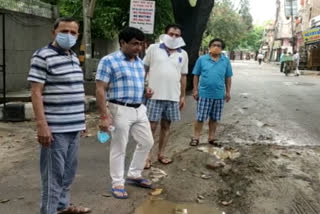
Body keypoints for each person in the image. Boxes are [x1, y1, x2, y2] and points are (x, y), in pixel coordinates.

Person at [28, 17, 91, 214]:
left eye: (73, 32)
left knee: (68, 173)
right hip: (55, 130)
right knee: (53, 177)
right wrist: (42, 125)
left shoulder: (73, 56)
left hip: (73, 127)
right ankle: (49, 210)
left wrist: (81, 122)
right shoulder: (42, 56)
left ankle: (62, 206)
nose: (69, 36)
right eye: (64, 31)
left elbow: (74, 91)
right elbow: (36, 92)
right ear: (53, 32)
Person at [95, 27, 154, 199]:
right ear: (123, 43)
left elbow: (137, 85)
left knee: (147, 142)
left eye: (141, 44)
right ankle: (117, 183)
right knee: (119, 147)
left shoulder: (138, 63)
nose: (139, 48)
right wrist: (104, 115)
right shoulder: (109, 61)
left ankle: (134, 174)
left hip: (139, 108)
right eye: (135, 44)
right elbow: (100, 89)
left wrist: (145, 92)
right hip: (119, 109)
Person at [143, 24, 188, 168]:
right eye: (171, 33)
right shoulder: (153, 48)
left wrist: (182, 96)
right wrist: (143, 87)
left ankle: (161, 154)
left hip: (172, 96)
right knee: (151, 127)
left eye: (177, 35)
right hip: (154, 95)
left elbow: (183, 76)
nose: (174, 37)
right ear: (165, 34)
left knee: (166, 126)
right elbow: (144, 69)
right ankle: (146, 156)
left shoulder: (183, 54)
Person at [190, 38, 233, 147]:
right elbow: (196, 75)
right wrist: (195, 90)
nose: (216, 47)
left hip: (219, 95)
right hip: (204, 94)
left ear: (222, 49)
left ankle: (211, 137)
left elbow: (228, 77)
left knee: (214, 118)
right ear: (209, 47)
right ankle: (196, 138)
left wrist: (228, 92)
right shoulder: (202, 59)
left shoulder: (225, 61)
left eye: (219, 46)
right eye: (214, 45)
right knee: (200, 118)